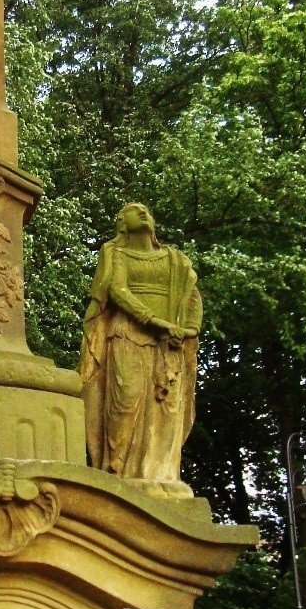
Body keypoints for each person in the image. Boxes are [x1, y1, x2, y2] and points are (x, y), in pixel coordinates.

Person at [80, 203, 202, 489]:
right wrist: (155, 321)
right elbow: (117, 291)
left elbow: (193, 297)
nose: (144, 213)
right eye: (134, 211)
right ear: (122, 223)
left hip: (170, 344)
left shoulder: (175, 259)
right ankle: (117, 473)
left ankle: (161, 475)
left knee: (166, 409)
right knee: (126, 400)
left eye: (147, 210)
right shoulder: (115, 253)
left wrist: (189, 330)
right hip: (127, 336)